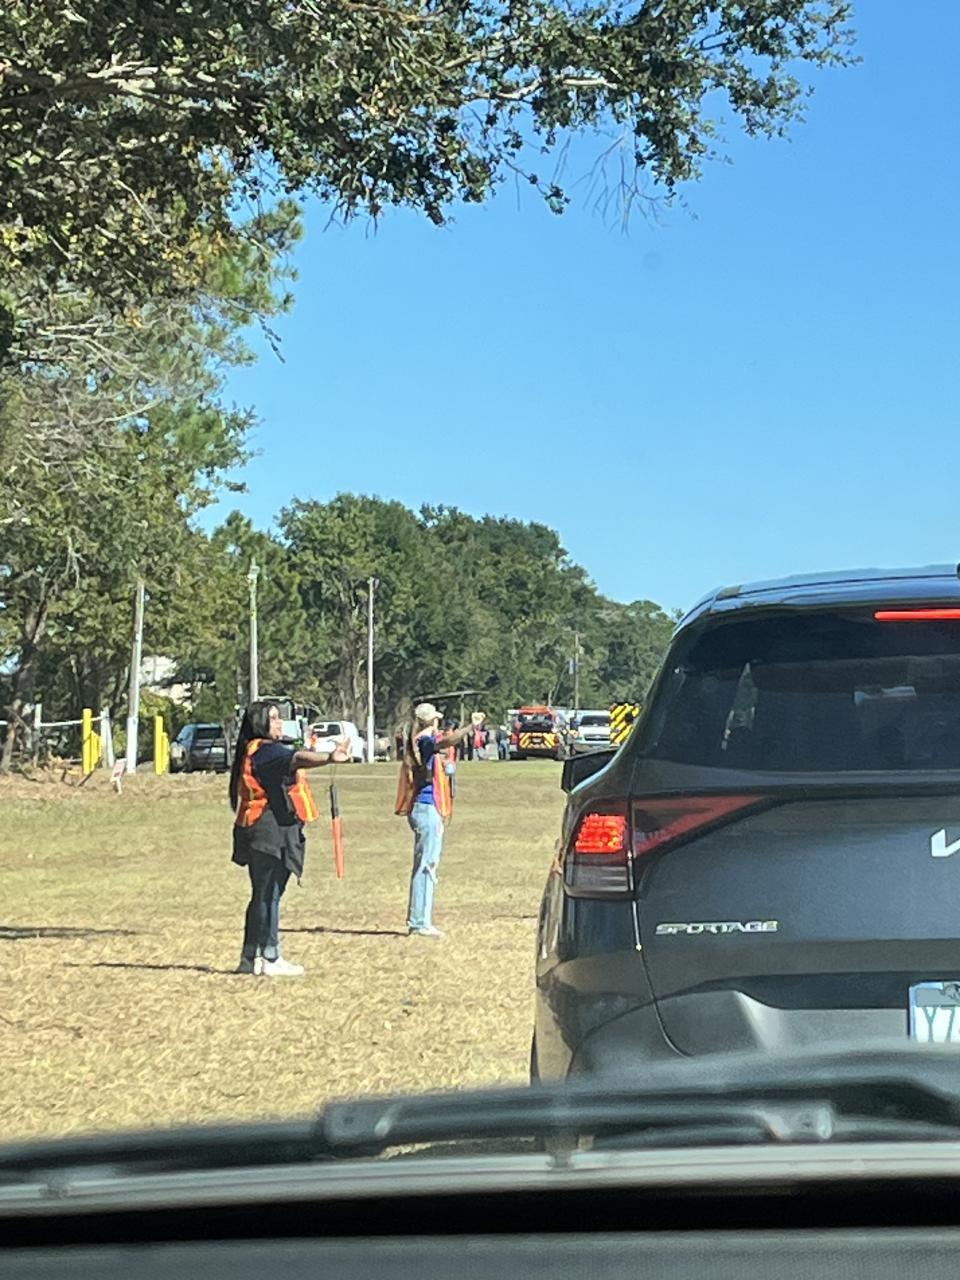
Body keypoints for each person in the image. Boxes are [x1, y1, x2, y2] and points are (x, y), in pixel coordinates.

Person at [229, 699, 350, 977]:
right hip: (269, 831)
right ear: (260, 723)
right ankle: (270, 957)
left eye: (279, 717)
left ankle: (250, 957)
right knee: (269, 895)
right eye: (273, 718)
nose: (279, 723)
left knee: (261, 895)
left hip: (256, 828)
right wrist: (329, 757)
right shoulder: (266, 751)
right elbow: (295, 759)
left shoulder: (253, 750)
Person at [395, 702, 482, 938]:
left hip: (426, 807)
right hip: (426, 808)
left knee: (428, 864)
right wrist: (470, 727)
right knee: (427, 866)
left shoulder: (421, 741)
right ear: (431, 720)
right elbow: (446, 742)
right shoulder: (425, 740)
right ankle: (419, 922)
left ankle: (421, 919)